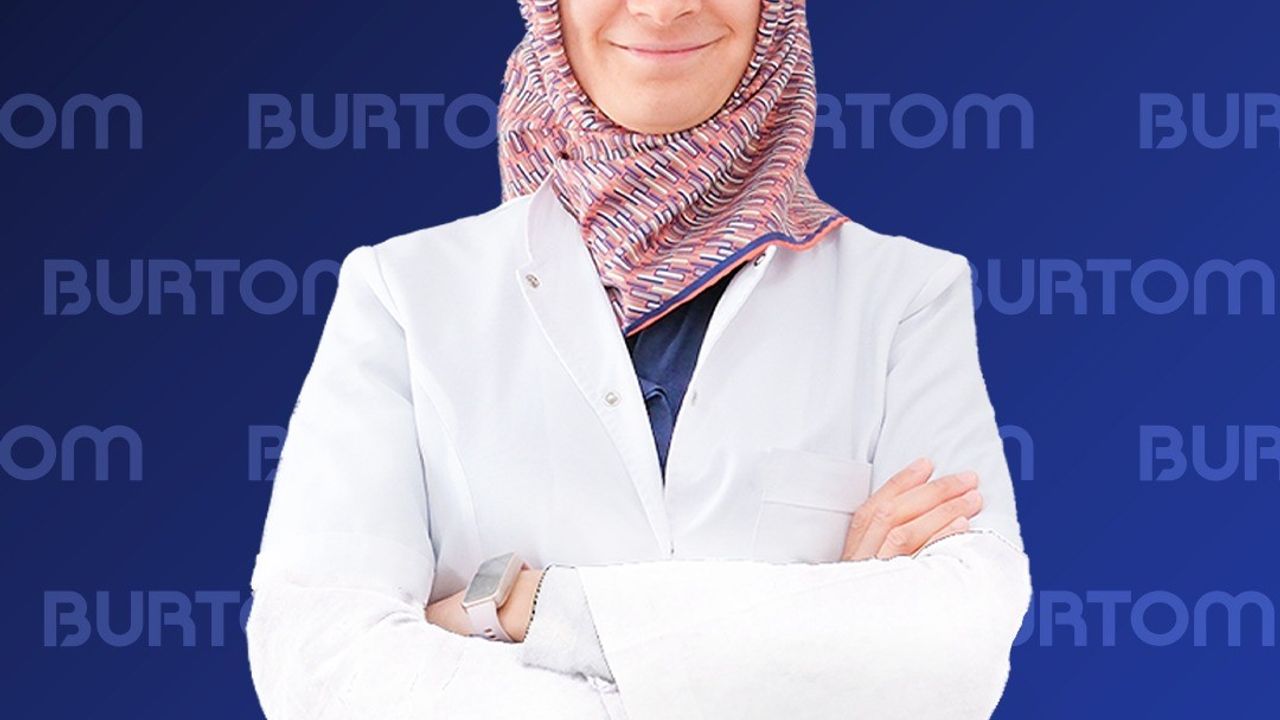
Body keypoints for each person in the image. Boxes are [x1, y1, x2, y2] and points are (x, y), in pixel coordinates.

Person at [244, 1, 1032, 718]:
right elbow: (321, 664)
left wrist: (529, 609)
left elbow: (955, 644)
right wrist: (827, 623)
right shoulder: (403, 294)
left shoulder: (906, 297)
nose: (662, 9)